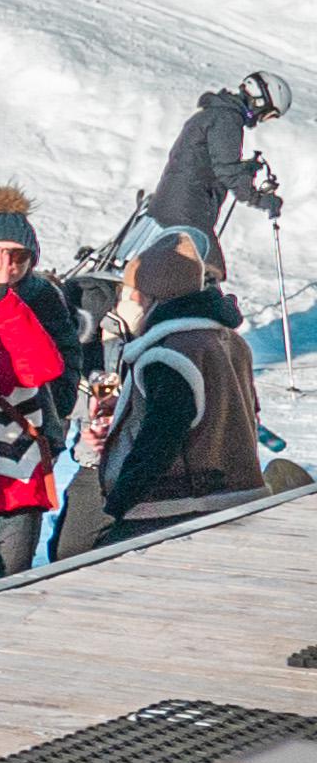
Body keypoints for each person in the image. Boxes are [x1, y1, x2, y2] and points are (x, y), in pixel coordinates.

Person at [69, 233, 267, 545]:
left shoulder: (169, 352)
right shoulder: (227, 341)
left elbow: (162, 439)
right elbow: (221, 414)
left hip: (180, 506)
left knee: (83, 563)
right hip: (234, 494)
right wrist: (127, 408)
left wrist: (118, 503)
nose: (126, 301)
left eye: (131, 291)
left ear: (149, 295)